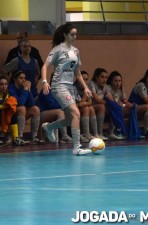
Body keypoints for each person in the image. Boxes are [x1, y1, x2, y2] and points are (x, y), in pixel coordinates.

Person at [40, 23, 92, 155]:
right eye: (72, 34)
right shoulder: (58, 49)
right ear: (65, 35)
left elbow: (77, 72)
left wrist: (85, 87)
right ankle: (76, 147)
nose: (75, 36)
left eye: (76, 34)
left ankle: (49, 127)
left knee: (70, 119)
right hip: (59, 86)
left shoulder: (76, 51)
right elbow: (45, 66)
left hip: (70, 87)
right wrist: (45, 81)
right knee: (76, 113)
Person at [0, 75, 25, 146]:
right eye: (1, 84)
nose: (4, 86)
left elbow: (7, 105)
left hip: (0, 112)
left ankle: (15, 138)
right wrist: (5, 106)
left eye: (6, 84)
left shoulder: (6, 93)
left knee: (13, 113)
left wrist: (8, 106)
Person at [36, 74, 73, 143]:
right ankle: (64, 136)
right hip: (43, 113)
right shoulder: (47, 89)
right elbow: (52, 105)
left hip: (55, 111)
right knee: (60, 112)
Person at [8, 71, 41, 144]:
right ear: (14, 79)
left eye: (24, 78)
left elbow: (32, 103)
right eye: (21, 78)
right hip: (10, 116)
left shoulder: (23, 88)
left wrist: (28, 91)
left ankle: (34, 137)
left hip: (20, 115)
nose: (24, 80)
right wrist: (25, 90)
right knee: (22, 108)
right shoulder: (11, 88)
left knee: (35, 109)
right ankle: (19, 137)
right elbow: (19, 102)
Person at [106, 70, 134, 140]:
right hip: (108, 107)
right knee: (116, 110)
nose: (118, 83)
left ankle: (129, 131)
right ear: (111, 81)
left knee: (131, 108)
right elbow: (112, 102)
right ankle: (111, 132)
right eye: (115, 81)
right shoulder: (107, 88)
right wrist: (124, 105)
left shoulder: (121, 89)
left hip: (118, 107)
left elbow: (125, 100)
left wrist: (126, 103)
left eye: (119, 81)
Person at [73, 71, 98, 142]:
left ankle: (95, 134)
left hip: (81, 107)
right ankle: (86, 134)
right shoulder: (73, 88)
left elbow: (90, 102)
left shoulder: (86, 88)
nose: (85, 81)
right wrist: (84, 94)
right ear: (78, 79)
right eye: (83, 79)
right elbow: (80, 104)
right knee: (87, 108)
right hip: (74, 108)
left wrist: (84, 103)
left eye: (86, 79)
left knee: (91, 108)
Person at [88, 68, 109, 140]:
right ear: (96, 77)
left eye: (106, 77)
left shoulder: (106, 86)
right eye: (102, 77)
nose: (104, 80)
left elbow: (110, 99)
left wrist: (112, 104)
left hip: (98, 106)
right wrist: (108, 103)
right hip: (89, 105)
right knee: (102, 107)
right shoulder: (92, 84)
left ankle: (112, 132)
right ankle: (99, 133)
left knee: (115, 108)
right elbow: (96, 99)